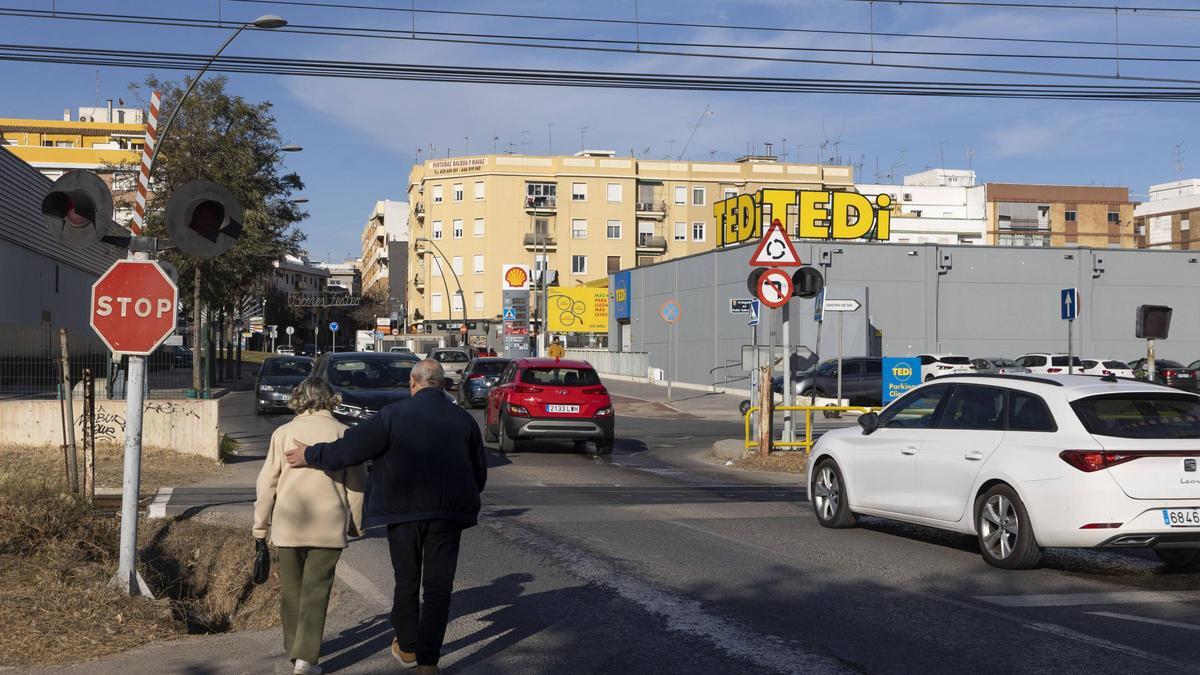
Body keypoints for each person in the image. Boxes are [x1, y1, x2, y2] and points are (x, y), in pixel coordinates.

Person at [285, 360, 487, 675]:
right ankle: (429, 663)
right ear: (443, 385)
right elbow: (479, 473)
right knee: (438, 588)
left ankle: (407, 648)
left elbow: (351, 449)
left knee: (406, 581)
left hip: (403, 512)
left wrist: (312, 454)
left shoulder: (393, 416)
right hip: (449, 514)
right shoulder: (464, 420)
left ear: (413, 384)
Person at [253, 377, 364, 675]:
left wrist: (259, 526)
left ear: (298, 399)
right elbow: (356, 486)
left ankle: (295, 651)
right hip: (329, 523)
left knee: (291, 590)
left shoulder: (283, 433)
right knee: (317, 590)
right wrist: (356, 523)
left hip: (289, 523)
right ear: (331, 398)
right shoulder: (344, 433)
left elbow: (266, 484)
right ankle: (306, 658)